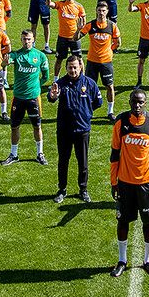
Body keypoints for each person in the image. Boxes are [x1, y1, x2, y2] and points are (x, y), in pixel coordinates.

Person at [109, 88, 149, 278]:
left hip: (147, 183)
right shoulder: (121, 122)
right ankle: (122, 260)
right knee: (122, 221)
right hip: (125, 183)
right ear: (130, 102)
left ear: (145, 103)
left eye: (140, 102)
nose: (137, 105)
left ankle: (148, 261)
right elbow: (114, 153)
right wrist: (113, 182)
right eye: (134, 102)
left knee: (148, 222)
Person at [51, 55, 103, 203]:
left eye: (75, 67)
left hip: (82, 130)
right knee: (63, 161)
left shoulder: (90, 83)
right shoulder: (60, 83)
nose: (72, 70)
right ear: (66, 68)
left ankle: (83, 190)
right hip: (64, 130)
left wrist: (86, 113)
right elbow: (52, 97)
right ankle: (62, 189)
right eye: (70, 68)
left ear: (80, 67)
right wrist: (53, 96)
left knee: (83, 162)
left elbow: (98, 102)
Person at [3, 29, 50, 166]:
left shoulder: (40, 56)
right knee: (14, 127)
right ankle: (14, 154)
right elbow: (4, 63)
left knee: (37, 126)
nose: (27, 41)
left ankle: (40, 154)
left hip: (33, 98)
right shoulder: (16, 55)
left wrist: (37, 87)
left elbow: (45, 76)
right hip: (18, 97)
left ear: (33, 39)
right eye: (24, 39)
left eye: (29, 39)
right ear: (21, 40)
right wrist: (5, 63)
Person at [79, 1, 121, 120]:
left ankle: (110, 111)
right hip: (92, 61)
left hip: (106, 62)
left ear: (107, 12)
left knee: (109, 86)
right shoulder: (90, 25)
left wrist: (110, 50)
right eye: (99, 10)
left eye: (103, 11)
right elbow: (75, 38)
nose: (101, 13)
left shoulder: (112, 26)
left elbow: (118, 42)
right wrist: (78, 30)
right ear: (96, 11)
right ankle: (88, 109)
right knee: (88, 87)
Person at [50, 0, 86, 70]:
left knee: (79, 60)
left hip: (74, 37)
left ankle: (82, 78)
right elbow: (49, 4)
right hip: (62, 37)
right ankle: (56, 79)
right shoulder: (60, 4)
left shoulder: (79, 6)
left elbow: (83, 22)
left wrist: (79, 32)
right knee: (59, 59)